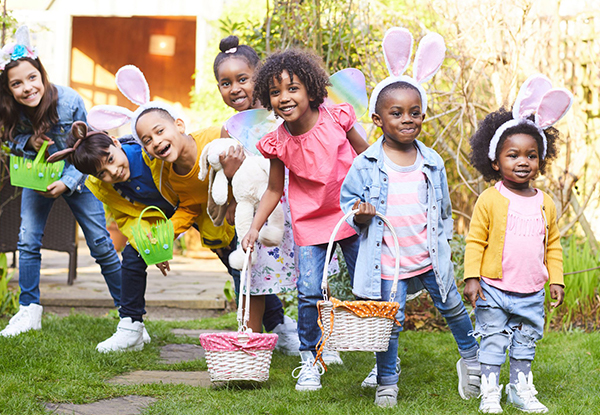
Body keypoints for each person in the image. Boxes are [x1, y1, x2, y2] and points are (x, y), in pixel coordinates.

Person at [340, 27, 480, 407]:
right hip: (388, 263)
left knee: (453, 307)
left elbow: (445, 212)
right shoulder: (366, 162)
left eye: (415, 113)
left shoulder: (431, 161)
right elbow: (348, 204)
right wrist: (361, 216)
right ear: (377, 118)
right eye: (397, 113)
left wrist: (444, 247)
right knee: (389, 322)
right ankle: (387, 379)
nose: (408, 119)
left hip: (428, 257)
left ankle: (472, 360)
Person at [241, 48, 369, 392]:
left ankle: (381, 361)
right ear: (268, 100)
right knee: (309, 291)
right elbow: (272, 189)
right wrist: (254, 228)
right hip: (310, 223)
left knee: (367, 287)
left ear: (312, 90)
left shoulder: (337, 118)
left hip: (352, 216)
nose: (284, 97)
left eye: (292, 88)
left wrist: (373, 197)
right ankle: (310, 358)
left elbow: (367, 156)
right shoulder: (277, 142)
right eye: (275, 91)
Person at [0, 27, 121, 338]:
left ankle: (130, 315)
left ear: (41, 74)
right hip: (37, 179)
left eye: (31, 78)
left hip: (78, 177)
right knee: (27, 241)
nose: (27, 88)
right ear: (9, 89)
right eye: (17, 84)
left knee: (101, 244)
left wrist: (68, 181)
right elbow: (11, 143)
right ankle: (29, 310)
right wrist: (27, 142)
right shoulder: (12, 112)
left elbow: (91, 146)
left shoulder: (68, 101)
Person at [464, 74, 571, 413]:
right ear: (495, 161)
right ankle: (491, 391)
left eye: (531, 155)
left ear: (541, 161)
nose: (523, 161)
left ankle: (520, 389)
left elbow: (552, 245)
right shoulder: (489, 200)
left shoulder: (546, 202)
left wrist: (556, 279)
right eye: (513, 155)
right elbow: (474, 241)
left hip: (530, 291)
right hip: (494, 288)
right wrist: (472, 277)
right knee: (493, 341)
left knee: (525, 343)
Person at [213, 35, 300, 355]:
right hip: (254, 216)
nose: (234, 88)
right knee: (253, 279)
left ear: (258, 77)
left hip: (291, 207)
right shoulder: (230, 128)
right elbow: (228, 177)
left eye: (242, 79)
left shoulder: (280, 113)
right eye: (225, 83)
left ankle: (320, 343)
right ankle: (250, 347)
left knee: (310, 277)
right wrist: (234, 201)